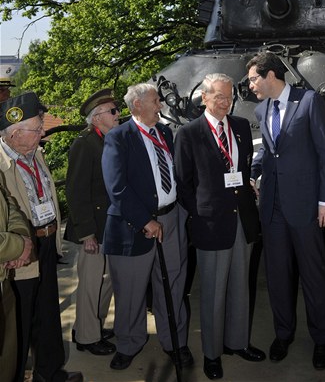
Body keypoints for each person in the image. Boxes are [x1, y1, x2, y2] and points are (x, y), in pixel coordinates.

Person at [246, 51, 325, 371]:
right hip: (272, 208)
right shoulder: (261, 108)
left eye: (253, 79)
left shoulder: (310, 101)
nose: (251, 86)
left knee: (314, 275)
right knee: (278, 276)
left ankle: (322, 338)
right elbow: (268, 152)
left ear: (271, 76)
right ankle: (283, 334)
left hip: (306, 206)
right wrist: (254, 174)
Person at [174, 73, 266, 380]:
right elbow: (184, 182)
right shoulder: (189, 133)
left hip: (243, 219)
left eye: (229, 97)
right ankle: (212, 353)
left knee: (241, 285)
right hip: (211, 224)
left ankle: (237, 342)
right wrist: (201, 213)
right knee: (213, 292)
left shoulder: (239, 127)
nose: (225, 103)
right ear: (204, 98)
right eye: (219, 97)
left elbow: (243, 167)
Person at [101, 83, 192, 371]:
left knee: (173, 286)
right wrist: (145, 220)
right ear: (137, 105)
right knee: (130, 292)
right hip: (134, 226)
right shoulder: (119, 137)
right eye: (155, 101)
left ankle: (175, 342)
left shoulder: (164, 133)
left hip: (171, 220)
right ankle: (129, 344)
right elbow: (116, 187)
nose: (161, 105)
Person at [0, 92, 83, 382]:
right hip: (19, 252)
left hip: (46, 243)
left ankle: (50, 372)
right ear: (14, 133)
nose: (43, 132)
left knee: (47, 313)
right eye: (36, 129)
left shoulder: (35, 153)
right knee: (20, 323)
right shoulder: (1, 164)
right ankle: (16, 373)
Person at [65, 89, 120, 355]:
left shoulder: (108, 139)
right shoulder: (84, 143)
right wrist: (86, 233)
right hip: (93, 230)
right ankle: (87, 337)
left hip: (109, 226)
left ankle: (91, 326)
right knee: (90, 283)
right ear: (97, 117)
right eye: (113, 111)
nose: (118, 114)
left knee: (107, 280)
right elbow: (76, 191)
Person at [0, 183, 33, 382]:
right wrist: (17, 245)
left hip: (4, 285)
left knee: (7, 364)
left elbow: (9, 204)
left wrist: (20, 235)